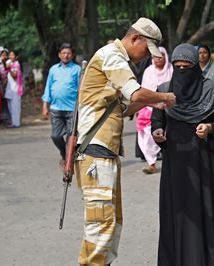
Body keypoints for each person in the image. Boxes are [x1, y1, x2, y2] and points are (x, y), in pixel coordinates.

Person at [74, 17, 176, 265]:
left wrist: (157, 100)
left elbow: (126, 107)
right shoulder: (111, 55)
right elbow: (137, 93)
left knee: (112, 221)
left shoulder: (116, 60)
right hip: (95, 151)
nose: (146, 57)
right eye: (146, 50)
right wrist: (166, 96)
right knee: (101, 225)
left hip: (105, 151)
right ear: (135, 38)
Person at [151, 43, 214, 266]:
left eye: (187, 67)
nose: (182, 71)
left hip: (203, 160)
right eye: (178, 67)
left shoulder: (210, 89)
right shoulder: (164, 90)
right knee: (178, 211)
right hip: (175, 162)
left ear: (196, 67)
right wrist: (157, 131)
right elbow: (158, 119)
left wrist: (211, 128)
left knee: (204, 210)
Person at [41, 43, 81, 166]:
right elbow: (48, 87)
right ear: (59, 55)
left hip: (72, 108)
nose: (66, 55)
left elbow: (81, 89)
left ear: (72, 55)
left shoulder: (77, 69)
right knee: (55, 136)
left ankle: (69, 160)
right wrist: (45, 106)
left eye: (68, 53)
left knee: (71, 136)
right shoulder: (53, 69)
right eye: (63, 53)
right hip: (56, 108)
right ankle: (64, 154)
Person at [137, 47, 173, 174]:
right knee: (147, 137)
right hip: (150, 107)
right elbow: (144, 90)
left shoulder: (172, 70)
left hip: (169, 107)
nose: (158, 59)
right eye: (155, 56)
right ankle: (151, 163)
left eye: (161, 56)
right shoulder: (148, 71)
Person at [4, 50, 23, 128]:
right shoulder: (11, 64)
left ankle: (16, 123)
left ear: (16, 57)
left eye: (12, 55)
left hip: (16, 89)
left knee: (15, 106)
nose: (11, 57)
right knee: (10, 106)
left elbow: (15, 76)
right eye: (10, 55)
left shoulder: (16, 65)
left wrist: (9, 68)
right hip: (10, 88)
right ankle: (13, 122)